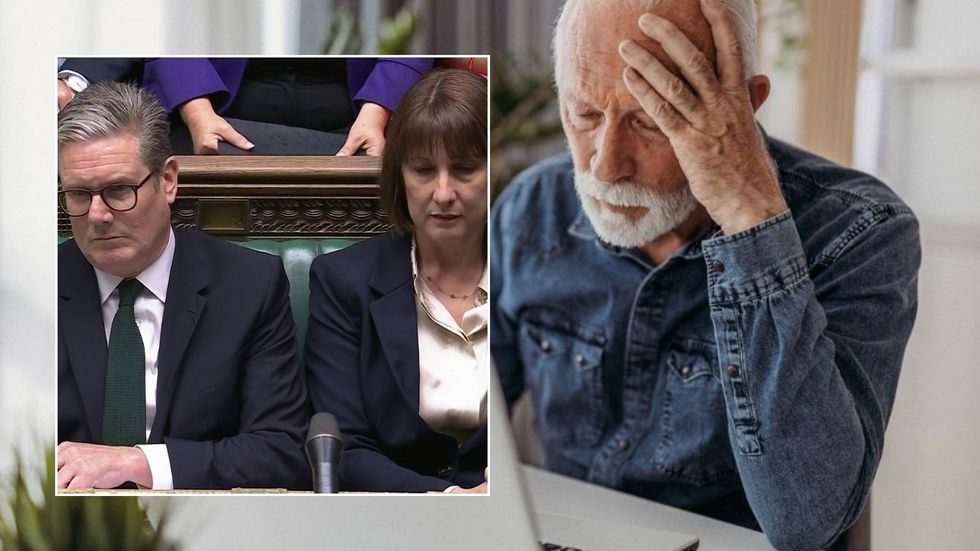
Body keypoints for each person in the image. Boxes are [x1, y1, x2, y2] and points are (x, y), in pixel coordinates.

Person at [491, 0, 920, 549]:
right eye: (584, 115)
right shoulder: (532, 208)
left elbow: (808, 523)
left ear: (743, 109)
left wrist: (749, 215)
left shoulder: (861, 232)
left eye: (650, 121)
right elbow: (456, 436)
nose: (604, 166)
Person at [57, 81, 310, 490]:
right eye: (79, 195)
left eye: (119, 190)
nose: (98, 215)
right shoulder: (37, 285)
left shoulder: (247, 286)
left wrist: (142, 464)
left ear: (169, 180)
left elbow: (280, 451)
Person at [305, 69, 489, 493]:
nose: (443, 192)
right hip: (395, 517)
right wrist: (447, 500)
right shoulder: (343, 282)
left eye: (464, 169)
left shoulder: (529, 272)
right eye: (423, 170)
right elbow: (345, 449)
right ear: (399, 175)